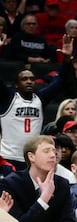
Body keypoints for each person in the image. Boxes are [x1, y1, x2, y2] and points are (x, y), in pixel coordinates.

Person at [0, 36, 70, 169]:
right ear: (16, 84)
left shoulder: (40, 98)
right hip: (9, 157)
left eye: (32, 79)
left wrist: (67, 60)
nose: (29, 81)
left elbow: (60, 80)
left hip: (33, 158)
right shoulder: (8, 97)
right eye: (24, 79)